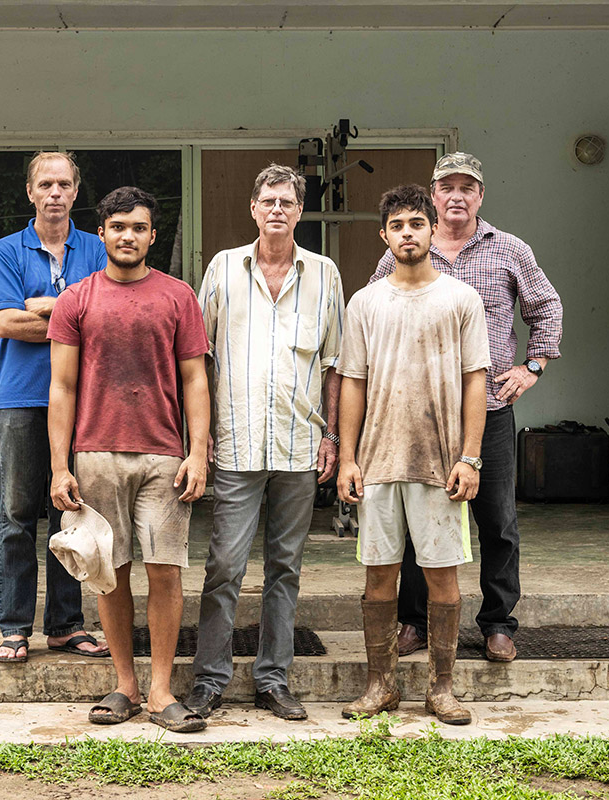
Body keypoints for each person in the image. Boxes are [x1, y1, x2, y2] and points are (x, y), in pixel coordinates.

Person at [369, 153, 563, 663]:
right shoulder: (400, 252)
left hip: (490, 409)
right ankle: (413, 621)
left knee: (496, 519)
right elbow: (375, 319)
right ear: (433, 197)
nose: (456, 196)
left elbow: (546, 306)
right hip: (418, 415)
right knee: (415, 522)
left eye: (467, 188)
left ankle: (498, 623)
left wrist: (532, 366)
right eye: (446, 187)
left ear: (481, 196)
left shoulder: (508, 250)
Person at [48, 186, 212, 733]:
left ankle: (162, 690)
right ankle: (125, 685)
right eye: (118, 227)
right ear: (102, 234)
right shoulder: (78, 298)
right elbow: (63, 387)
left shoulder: (178, 296)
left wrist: (198, 451)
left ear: (152, 236)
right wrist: (60, 465)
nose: (128, 236)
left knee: (165, 572)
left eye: (138, 228)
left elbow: (195, 378)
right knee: (109, 574)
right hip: (95, 455)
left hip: (165, 456)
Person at [187, 164, 345, 722]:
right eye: (268, 200)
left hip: (299, 445)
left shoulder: (325, 274)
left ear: (300, 212)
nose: (277, 209)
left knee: (286, 566)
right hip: (234, 444)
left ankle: (273, 679)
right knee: (224, 565)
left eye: (288, 201)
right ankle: (209, 678)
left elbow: (334, 366)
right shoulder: (223, 269)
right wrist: (199, 439)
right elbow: (198, 360)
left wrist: (333, 436)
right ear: (253, 208)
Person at [337, 184, 490, 725]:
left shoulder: (460, 299)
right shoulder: (365, 301)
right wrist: (349, 458)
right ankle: (381, 685)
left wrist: (469, 457)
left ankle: (441, 688)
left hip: (439, 463)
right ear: (384, 235)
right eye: (397, 224)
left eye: (416, 224)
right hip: (377, 463)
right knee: (379, 578)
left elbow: (477, 382)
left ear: (432, 231)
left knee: (442, 578)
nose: (407, 233)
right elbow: (351, 382)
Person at [0, 151, 109, 664]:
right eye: (45, 184)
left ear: (76, 192)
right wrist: (73, 317)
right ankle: (15, 627)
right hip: (20, 398)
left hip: (84, 400)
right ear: (31, 193)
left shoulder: (97, 249)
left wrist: (43, 305)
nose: (55, 193)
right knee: (16, 515)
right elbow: (5, 324)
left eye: (64, 184)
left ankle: (65, 625)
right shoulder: (7, 250)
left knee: (71, 511)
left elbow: (108, 316)